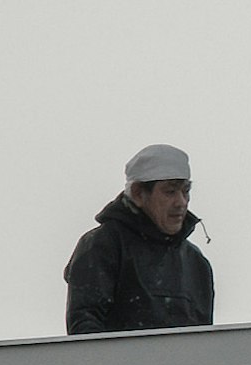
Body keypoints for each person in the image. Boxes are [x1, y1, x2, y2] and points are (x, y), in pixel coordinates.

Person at [65, 143, 215, 335]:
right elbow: (85, 331)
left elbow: (203, 342)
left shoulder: (195, 262)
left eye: (185, 191)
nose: (181, 202)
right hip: (119, 364)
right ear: (138, 194)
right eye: (170, 192)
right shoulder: (103, 245)